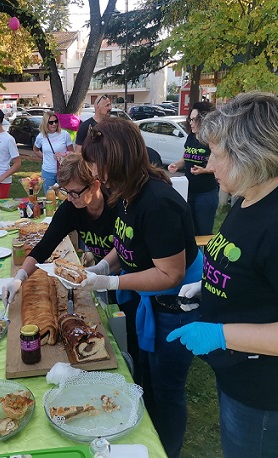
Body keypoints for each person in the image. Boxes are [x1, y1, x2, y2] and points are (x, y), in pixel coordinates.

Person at [167, 92, 278, 457]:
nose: (210, 164)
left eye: (218, 154)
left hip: (270, 390)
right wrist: (208, 286)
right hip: (239, 373)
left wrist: (220, 333)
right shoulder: (247, 199)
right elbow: (249, 268)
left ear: (250, 154)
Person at [79, 118, 203, 458]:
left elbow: (169, 274)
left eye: (96, 166)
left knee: (166, 390)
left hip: (175, 308)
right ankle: (145, 438)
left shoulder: (158, 203)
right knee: (144, 376)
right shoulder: (126, 193)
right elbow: (126, 243)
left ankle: (166, 450)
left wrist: (111, 281)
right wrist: (105, 264)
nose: (95, 175)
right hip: (148, 300)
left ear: (116, 160)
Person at [2, 152, 117, 303]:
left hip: (131, 274)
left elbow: (127, 245)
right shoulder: (71, 208)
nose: (69, 198)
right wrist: (20, 277)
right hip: (103, 272)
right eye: (66, 192)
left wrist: (102, 267)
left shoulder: (116, 205)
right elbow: (45, 246)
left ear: (94, 185)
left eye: (74, 193)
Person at [168, 101, 218, 235]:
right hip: (188, 191)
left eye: (194, 119)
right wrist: (176, 165)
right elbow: (186, 157)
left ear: (204, 119)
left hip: (206, 193)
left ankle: (205, 256)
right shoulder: (191, 137)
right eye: (190, 119)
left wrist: (204, 170)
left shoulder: (212, 139)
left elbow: (220, 166)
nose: (191, 122)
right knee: (191, 230)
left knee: (204, 233)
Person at [33, 111, 73, 193]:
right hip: (47, 172)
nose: (54, 124)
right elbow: (36, 149)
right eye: (51, 122)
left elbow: (72, 153)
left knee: (64, 196)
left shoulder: (65, 134)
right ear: (45, 123)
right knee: (49, 198)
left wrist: (63, 155)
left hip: (63, 171)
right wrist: (45, 158)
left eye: (56, 121)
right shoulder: (41, 137)